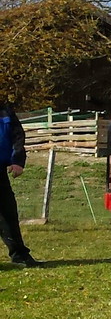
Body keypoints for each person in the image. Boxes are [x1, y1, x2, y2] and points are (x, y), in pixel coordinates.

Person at [0, 102, 44, 268]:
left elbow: (18, 136)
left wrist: (17, 161)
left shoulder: (5, 111)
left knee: (8, 212)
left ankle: (19, 255)